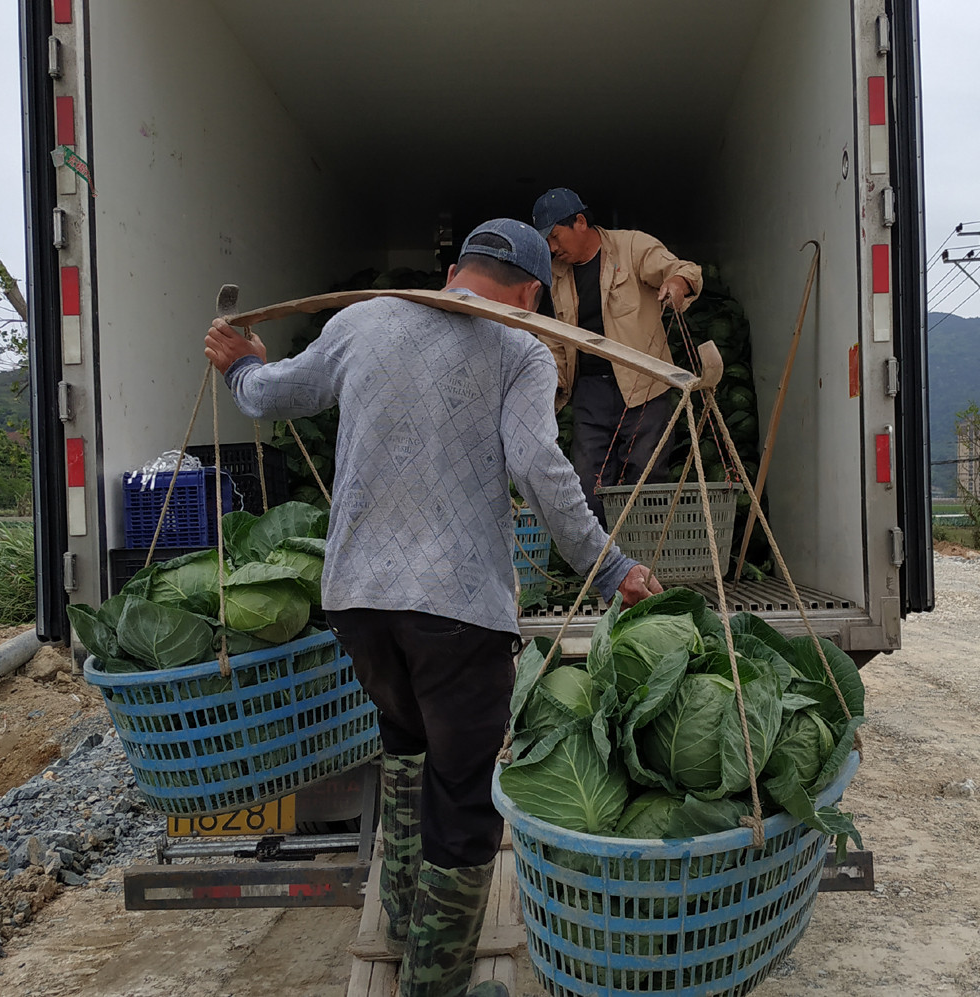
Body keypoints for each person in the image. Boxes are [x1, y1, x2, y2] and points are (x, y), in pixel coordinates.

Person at [203, 218, 662, 997]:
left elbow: (271, 397)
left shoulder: (362, 319)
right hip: (457, 612)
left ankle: (407, 917)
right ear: (527, 292)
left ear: (455, 270)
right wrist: (611, 562)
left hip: (357, 603)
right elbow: (540, 472)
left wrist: (240, 369)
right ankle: (437, 982)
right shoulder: (519, 348)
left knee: (407, 750)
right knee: (462, 798)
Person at [530, 187, 704, 525]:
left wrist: (678, 283)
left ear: (579, 222)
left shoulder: (632, 246)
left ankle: (642, 563)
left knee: (645, 475)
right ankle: (603, 566)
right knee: (588, 482)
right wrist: (549, 386)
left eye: (554, 236)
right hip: (590, 391)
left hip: (644, 386)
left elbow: (683, 270)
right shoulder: (555, 275)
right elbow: (555, 337)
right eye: (547, 242)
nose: (552, 247)